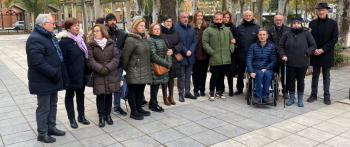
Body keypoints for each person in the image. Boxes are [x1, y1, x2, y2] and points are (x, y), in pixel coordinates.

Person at [26, 14, 66, 143]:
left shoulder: (48, 37)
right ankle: (42, 133)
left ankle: (51, 127)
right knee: (44, 108)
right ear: (44, 25)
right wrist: (54, 73)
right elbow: (37, 62)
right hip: (43, 79)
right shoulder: (34, 39)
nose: (54, 25)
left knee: (53, 104)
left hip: (52, 79)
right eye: (52, 23)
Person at [57, 17, 90, 129]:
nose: (77, 27)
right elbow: (63, 62)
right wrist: (65, 77)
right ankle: (71, 118)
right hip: (71, 75)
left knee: (81, 95)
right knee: (70, 96)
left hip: (81, 74)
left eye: (78, 24)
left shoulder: (81, 38)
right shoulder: (64, 42)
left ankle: (81, 116)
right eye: (75, 25)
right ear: (68, 28)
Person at [278, 18, 317, 107]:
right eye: (294, 23)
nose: (296, 25)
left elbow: (313, 45)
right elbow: (280, 46)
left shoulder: (306, 34)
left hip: (302, 61)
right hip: (289, 61)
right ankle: (292, 98)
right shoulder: (287, 34)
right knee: (290, 80)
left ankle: (300, 99)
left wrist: (307, 52)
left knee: (300, 81)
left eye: (298, 23)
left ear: (301, 25)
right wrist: (283, 55)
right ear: (291, 25)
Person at [87, 24, 120, 127]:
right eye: (94, 31)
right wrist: (100, 68)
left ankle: (108, 115)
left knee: (109, 94)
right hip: (99, 73)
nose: (95, 33)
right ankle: (101, 116)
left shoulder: (111, 42)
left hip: (110, 72)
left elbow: (116, 57)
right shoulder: (90, 44)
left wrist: (108, 68)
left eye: (97, 31)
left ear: (103, 32)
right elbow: (90, 60)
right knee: (100, 95)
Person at [307, 3, 339, 105]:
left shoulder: (333, 23)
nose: (321, 12)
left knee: (326, 76)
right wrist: (315, 49)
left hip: (326, 53)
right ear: (317, 11)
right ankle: (313, 94)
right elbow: (309, 38)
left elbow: (334, 39)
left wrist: (322, 50)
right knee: (315, 75)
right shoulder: (312, 23)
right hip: (315, 53)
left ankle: (326, 96)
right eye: (319, 10)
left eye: (323, 10)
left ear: (326, 11)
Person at [122, 17, 152, 120]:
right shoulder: (131, 39)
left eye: (144, 26)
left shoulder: (144, 38)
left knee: (141, 90)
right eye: (141, 26)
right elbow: (125, 57)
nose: (143, 28)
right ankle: (133, 111)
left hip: (143, 69)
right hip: (134, 70)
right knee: (133, 90)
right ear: (135, 26)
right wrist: (130, 69)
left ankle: (139, 108)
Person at [202, 12, 235, 101]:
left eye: (220, 19)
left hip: (225, 57)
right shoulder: (208, 30)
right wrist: (211, 52)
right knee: (215, 75)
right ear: (213, 19)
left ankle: (219, 92)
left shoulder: (227, 30)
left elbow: (232, 40)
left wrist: (230, 50)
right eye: (217, 19)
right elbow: (204, 42)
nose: (219, 21)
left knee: (222, 75)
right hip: (214, 57)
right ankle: (211, 91)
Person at [104, 13, 128, 116]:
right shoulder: (104, 33)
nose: (113, 22)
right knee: (107, 86)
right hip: (107, 65)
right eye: (110, 20)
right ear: (106, 22)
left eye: (114, 20)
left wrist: (119, 55)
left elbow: (124, 47)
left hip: (119, 64)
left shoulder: (121, 34)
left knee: (117, 86)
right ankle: (105, 108)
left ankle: (117, 106)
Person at [246, 28, 277, 104]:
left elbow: (274, 60)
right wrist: (251, 71)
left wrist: (266, 68)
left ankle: (265, 96)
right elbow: (248, 59)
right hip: (255, 69)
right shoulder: (253, 46)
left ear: (267, 36)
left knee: (266, 74)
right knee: (259, 73)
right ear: (258, 35)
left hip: (267, 69)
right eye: (260, 35)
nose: (262, 36)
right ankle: (258, 96)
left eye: (264, 35)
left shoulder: (271, 47)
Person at [148, 23, 173, 111]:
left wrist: (169, 62)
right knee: (154, 86)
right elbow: (153, 56)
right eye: (155, 29)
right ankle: (154, 104)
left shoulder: (161, 39)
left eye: (158, 29)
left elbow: (167, 52)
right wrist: (166, 64)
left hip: (162, 65)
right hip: (155, 67)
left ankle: (152, 102)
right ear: (151, 30)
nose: (157, 30)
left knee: (157, 84)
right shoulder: (150, 40)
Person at [235, 10, 260, 95]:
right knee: (240, 73)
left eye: (249, 15)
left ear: (252, 16)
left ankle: (251, 88)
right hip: (241, 54)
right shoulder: (239, 27)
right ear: (243, 16)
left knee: (252, 72)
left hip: (253, 55)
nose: (248, 17)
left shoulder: (257, 28)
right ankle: (239, 89)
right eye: (246, 15)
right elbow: (237, 40)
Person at [175, 11, 197, 101]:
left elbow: (194, 41)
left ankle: (187, 92)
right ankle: (181, 93)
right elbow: (177, 41)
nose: (186, 19)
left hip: (190, 56)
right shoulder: (176, 28)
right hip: (181, 56)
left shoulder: (191, 28)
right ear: (180, 18)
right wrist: (185, 51)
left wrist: (190, 51)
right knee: (181, 76)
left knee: (188, 76)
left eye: (187, 17)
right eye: (184, 17)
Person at [161, 15, 183, 104]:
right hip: (164, 58)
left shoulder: (176, 32)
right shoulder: (160, 32)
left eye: (170, 21)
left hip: (173, 58)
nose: (169, 23)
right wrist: (165, 51)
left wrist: (173, 50)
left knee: (171, 78)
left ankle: (171, 96)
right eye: (167, 21)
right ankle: (165, 97)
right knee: (164, 78)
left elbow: (180, 43)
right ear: (163, 22)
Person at [267, 14, 291, 99]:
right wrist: (278, 48)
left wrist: (281, 50)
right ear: (274, 21)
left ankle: (285, 91)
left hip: (285, 55)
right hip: (274, 55)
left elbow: (289, 41)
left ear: (283, 20)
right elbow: (269, 41)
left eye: (280, 19)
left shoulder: (288, 30)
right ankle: (275, 90)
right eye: (277, 20)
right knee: (274, 74)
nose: (278, 21)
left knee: (285, 74)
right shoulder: (270, 30)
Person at [190, 10, 209, 97]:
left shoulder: (207, 27)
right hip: (195, 54)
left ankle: (202, 89)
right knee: (195, 73)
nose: (199, 17)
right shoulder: (191, 27)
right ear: (195, 17)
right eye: (198, 16)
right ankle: (196, 89)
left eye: (201, 16)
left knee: (203, 73)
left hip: (205, 54)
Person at [222, 10, 240, 96]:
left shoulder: (233, 27)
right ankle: (221, 88)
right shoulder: (219, 26)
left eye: (227, 17)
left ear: (230, 18)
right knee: (221, 72)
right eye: (224, 17)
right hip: (221, 53)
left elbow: (237, 38)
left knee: (230, 73)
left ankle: (231, 90)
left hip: (230, 53)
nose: (226, 19)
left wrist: (235, 40)